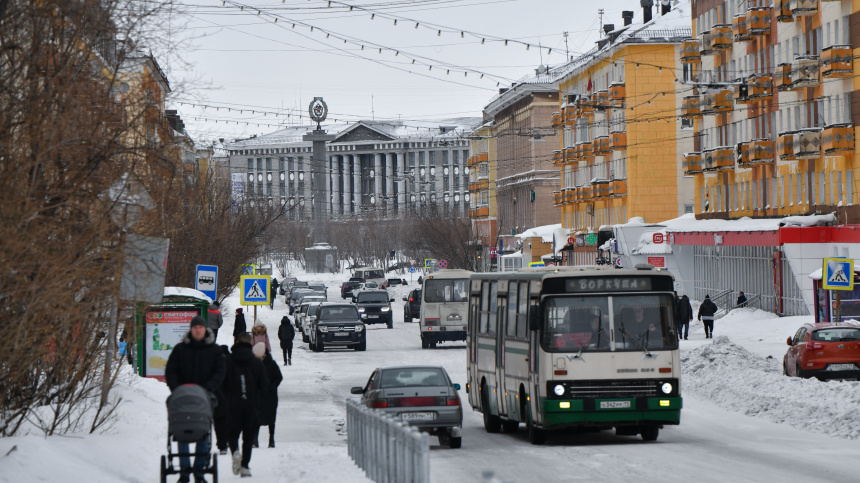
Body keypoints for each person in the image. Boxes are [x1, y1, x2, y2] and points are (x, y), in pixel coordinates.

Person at [164, 315, 226, 483]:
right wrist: (177, 389)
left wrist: (208, 389)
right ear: (191, 329)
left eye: (201, 327)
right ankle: (184, 472)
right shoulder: (180, 349)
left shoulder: (214, 350)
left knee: (203, 432)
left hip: (205, 397)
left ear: (205, 329)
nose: (198, 330)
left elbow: (220, 371)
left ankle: (199, 472)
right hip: (183, 397)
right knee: (181, 431)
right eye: (195, 327)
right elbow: (171, 370)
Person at [223, 333, 267, 478]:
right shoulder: (256, 363)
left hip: (232, 404)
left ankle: (235, 451)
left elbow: (220, 383)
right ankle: (245, 466)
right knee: (248, 437)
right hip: (250, 405)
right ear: (251, 344)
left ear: (236, 342)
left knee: (232, 433)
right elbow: (264, 386)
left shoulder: (227, 361)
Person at [252, 343, 283, 448]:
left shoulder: (271, 364)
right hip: (258, 396)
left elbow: (279, 377)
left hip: (270, 396)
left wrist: (272, 387)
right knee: (256, 417)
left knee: (271, 418)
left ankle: (271, 439)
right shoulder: (254, 364)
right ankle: (255, 439)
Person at [214, 345, 230, 455]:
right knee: (228, 421)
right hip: (229, 397)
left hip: (217, 397)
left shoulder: (214, 364)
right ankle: (227, 440)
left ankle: (222, 444)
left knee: (219, 422)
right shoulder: (231, 362)